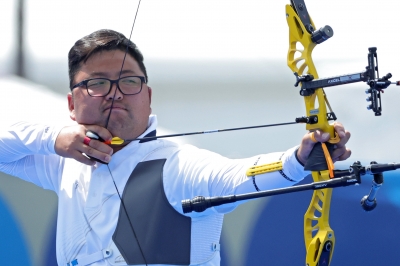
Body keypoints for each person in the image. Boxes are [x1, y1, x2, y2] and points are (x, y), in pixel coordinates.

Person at [0, 29, 351, 266]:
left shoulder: (175, 165)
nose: (116, 92)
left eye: (129, 81)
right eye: (97, 83)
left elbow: (234, 177)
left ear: (148, 97)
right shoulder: (67, 162)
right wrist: (53, 137)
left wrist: (299, 159)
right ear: (71, 103)